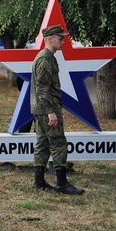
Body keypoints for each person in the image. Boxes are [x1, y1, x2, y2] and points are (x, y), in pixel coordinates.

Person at [30, 24, 84, 195]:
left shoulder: (47, 57)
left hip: (41, 108)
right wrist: (51, 112)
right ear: (50, 39)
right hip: (47, 108)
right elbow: (42, 88)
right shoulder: (45, 59)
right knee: (59, 143)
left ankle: (39, 181)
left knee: (43, 143)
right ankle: (62, 183)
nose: (63, 41)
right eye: (60, 38)